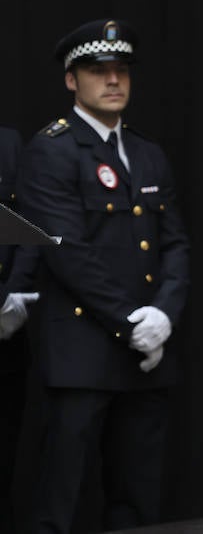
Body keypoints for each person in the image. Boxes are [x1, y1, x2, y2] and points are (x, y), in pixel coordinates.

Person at [16, 19, 190, 534]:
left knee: (137, 501)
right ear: (72, 80)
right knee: (61, 500)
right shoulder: (51, 149)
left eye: (121, 71)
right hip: (82, 352)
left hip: (147, 353)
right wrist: (131, 321)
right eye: (98, 72)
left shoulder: (147, 152)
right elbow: (66, 251)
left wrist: (165, 314)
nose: (113, 81)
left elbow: (174, 242)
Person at [0, 126, 33, 534]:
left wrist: (16, 296)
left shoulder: (9, 144)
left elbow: (31, 227)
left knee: (4, 467)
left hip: (4, 335)